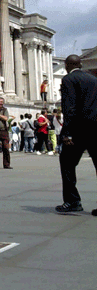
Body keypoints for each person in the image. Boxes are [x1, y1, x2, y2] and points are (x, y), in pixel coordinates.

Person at [55, 55, 97, 213]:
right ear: (81, 64)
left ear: (66, 65)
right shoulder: (93, 79)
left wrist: (67, 133)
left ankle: (73, 201)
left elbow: (70, 108)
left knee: (66, 164)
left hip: (79, 130)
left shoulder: (68, 80)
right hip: (95, 128)